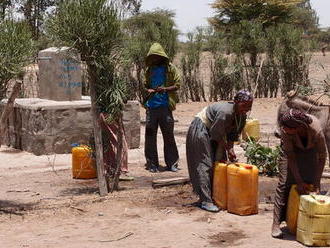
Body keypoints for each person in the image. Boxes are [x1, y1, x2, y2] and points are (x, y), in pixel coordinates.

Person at [186, 90, 253, 212]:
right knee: (205, 163)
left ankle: (215, 195)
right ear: (236, 102)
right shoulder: (225, 112)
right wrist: (227, 148)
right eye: (244, 105)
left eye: (249, 106)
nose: (247, 109)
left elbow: (232, 135)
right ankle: (205, 200)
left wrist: (231, 149)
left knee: (220, 161)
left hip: (213, 132)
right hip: (201, 129)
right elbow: (216, 134)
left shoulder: (242, 117)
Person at [272, 109, 327, 238]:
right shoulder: (286, 132)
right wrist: (298, 180)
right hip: (289, 153)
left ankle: (302, 222)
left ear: (298, 126)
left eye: (286, 127)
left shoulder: (316, 129)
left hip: (310, 151)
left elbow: (322, 156)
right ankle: (276, 224)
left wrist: (317, 181)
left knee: (310, 184)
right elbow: (290, 156)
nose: (283, 129)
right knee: (284, 184)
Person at [143, 42, 180, 173]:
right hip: (151, 108)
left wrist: (164, 89)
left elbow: (177, 85)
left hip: (165, 107)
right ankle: (152, 164)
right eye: (152, 57)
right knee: (150, 137)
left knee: (169, 136)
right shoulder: (149, 70)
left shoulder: (170, 69)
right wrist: (149, 90)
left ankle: (172, 163)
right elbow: (145, 85)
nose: (154, 59)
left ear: (161, 56)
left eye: (156, 56)